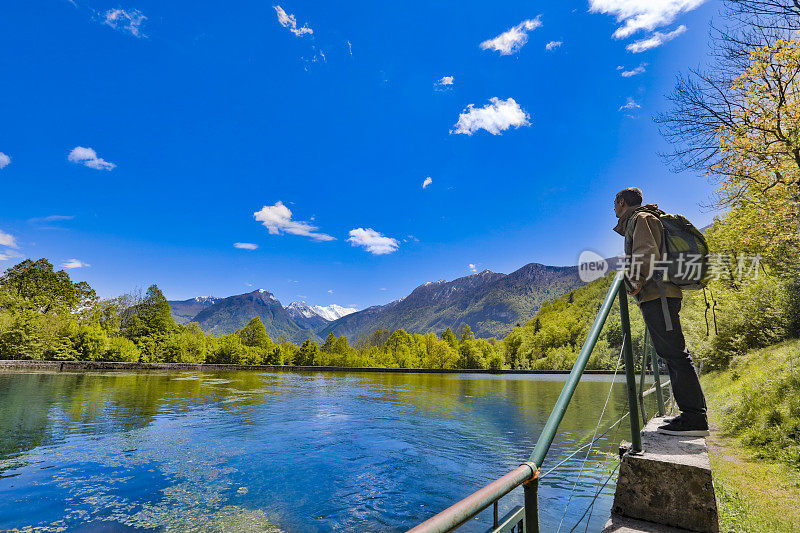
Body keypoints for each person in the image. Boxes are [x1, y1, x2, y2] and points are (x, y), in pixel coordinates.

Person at [613, 187, 709, 437]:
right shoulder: (642, 218)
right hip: (660, 294)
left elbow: (646, 254)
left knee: (675, 354)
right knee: (672, 353)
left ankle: (695, 418)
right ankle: (692, 414)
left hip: (659, 295)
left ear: (622, 202)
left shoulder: (641, 218)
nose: (613, 208)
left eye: (615, 203)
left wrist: (635, 281)